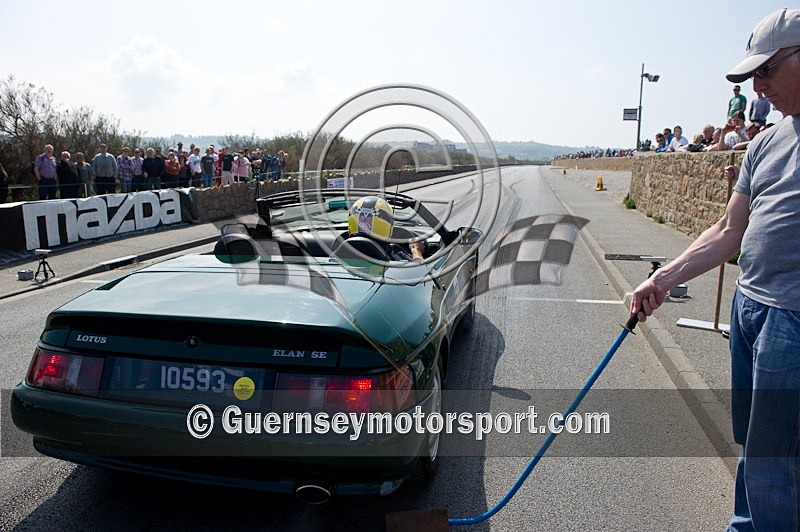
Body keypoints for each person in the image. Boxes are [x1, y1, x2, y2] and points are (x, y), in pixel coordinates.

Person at [631, 8, 800, 531]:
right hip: (749, 309)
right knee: (756, 443)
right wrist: (662, 279)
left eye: (768, 69)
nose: (758, 84)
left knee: (774, 459)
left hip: (791, 321)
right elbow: (729, 231)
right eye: (754, 74)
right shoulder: (768, 142)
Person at [344, 195, 424, 261]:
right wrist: (416, 251)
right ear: (388, 225)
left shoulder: (337, 253)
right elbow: (420, 272)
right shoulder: (392, 254)